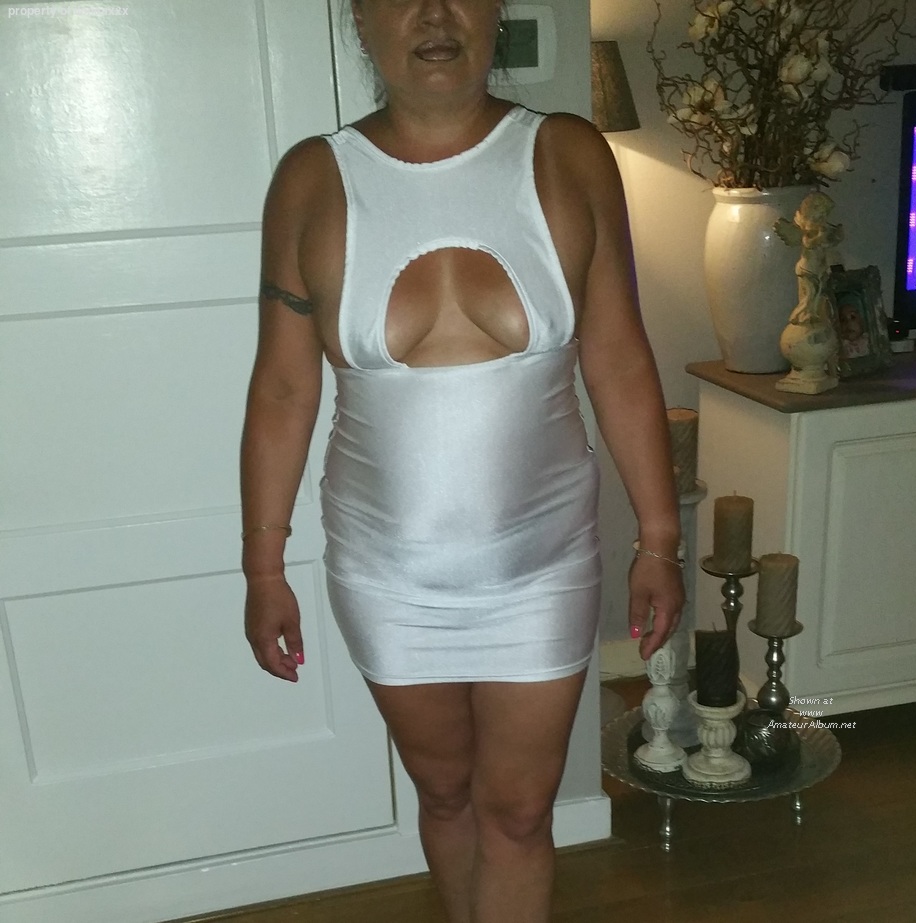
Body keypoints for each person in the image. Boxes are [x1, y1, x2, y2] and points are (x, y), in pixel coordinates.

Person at [240, 2, 684, 921]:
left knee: (519, 812)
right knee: (444, 793)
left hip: (544, 566)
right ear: (360, 17)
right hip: (386, 573)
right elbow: (283, 390)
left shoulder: (568, 154)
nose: (436, 14)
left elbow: (619, 358)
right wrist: (263, 565)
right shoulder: (312, 180)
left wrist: (659, 537)